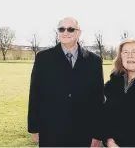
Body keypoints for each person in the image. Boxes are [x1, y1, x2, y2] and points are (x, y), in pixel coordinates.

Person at [27, 17, 104, 147]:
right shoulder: (43, 58)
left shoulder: (94, 61)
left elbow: (98, 99)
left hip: (83, 131)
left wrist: (98, 133)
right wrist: (34, 128)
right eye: (62, 29)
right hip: (50, 130)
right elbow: (35, 93)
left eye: (70, 29)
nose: (65, 32)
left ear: (78, 33)